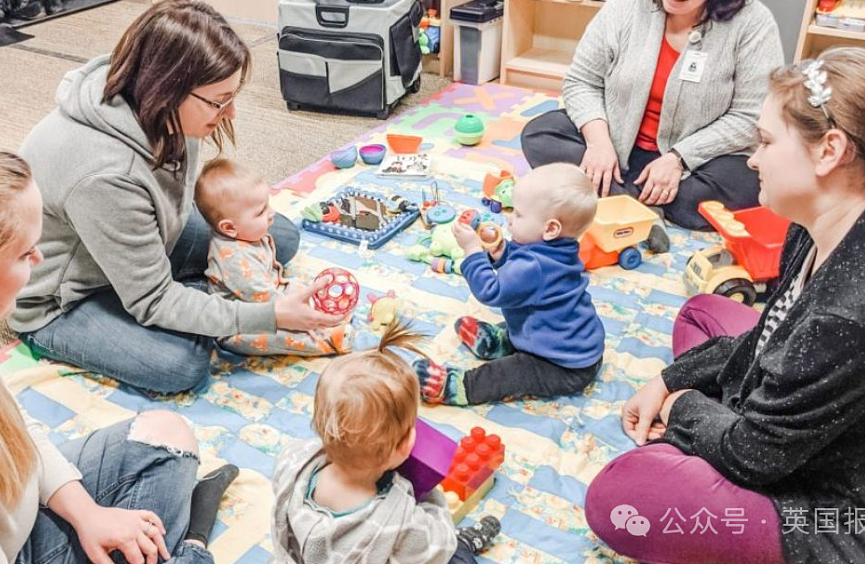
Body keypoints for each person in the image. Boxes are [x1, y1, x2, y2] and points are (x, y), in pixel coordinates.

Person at [584, 47, 865, 564]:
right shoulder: (828, 218)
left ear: (830, 150)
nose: (752, 159)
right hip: (831, 420)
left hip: (864, 515)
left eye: (766, 141)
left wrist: (680, 404)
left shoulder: (855, 310)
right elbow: (773, 329)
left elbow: (753, 457)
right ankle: (710, 430)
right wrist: (669, 378)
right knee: (703, 313)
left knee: (620, 497)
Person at [0, 117, 239, 563]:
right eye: (24, 253)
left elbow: (7, 422)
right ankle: (192, 548)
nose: (40, 258)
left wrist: (87, 513)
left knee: (166, 436)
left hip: (2, 512)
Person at [8, 0, 344, 394]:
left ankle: (197, 297)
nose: (230, 114)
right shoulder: (105, 174)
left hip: (139, 239)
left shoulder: (156, 105)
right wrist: (267, 315)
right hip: (66, 298)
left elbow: (176, 205)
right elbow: (152, 302)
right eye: (220, 101)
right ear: (167, 88)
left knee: (278, 236)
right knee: (180, 365)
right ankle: (197, 301)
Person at [520, 0, 783, 236]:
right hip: (618, 145)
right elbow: (581, 80)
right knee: (540, 134)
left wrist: (678, 157)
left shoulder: (753, 24)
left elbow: (750, 116)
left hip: (693, 162)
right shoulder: (628, 3)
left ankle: (611, 196)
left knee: (751, 181)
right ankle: (641, 202)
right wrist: (598, 143)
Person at [271, 320, 501, 563]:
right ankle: (465, 544)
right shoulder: (400, 519)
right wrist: (427, 493)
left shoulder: (293, 461)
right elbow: (439, 546)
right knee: (456, 555)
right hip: (423, 545)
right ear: (402, 447)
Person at [414, 163, 605, 405]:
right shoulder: (559, 249)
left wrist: (472, 251)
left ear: (550, 228)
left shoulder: (534, 267)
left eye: (518, 214)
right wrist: (500, 249)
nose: (508, 220)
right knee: (527, 316)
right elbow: (521, 266)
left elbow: (491, 291)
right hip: (570, 342)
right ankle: (503, 341)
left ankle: (458, 387)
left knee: (513, 372)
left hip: (564, 366)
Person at [195, 158, 353, 356]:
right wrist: (299, 317)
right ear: (229, 228)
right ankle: (328, 341)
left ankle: (324, 312)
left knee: (298, 286)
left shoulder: (246, 232)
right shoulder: (236, 260)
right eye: (261, 212)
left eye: (267, 206)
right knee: (280, 336)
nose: (272, 214)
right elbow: (267, 304)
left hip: (268, 291)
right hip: (242, 322)